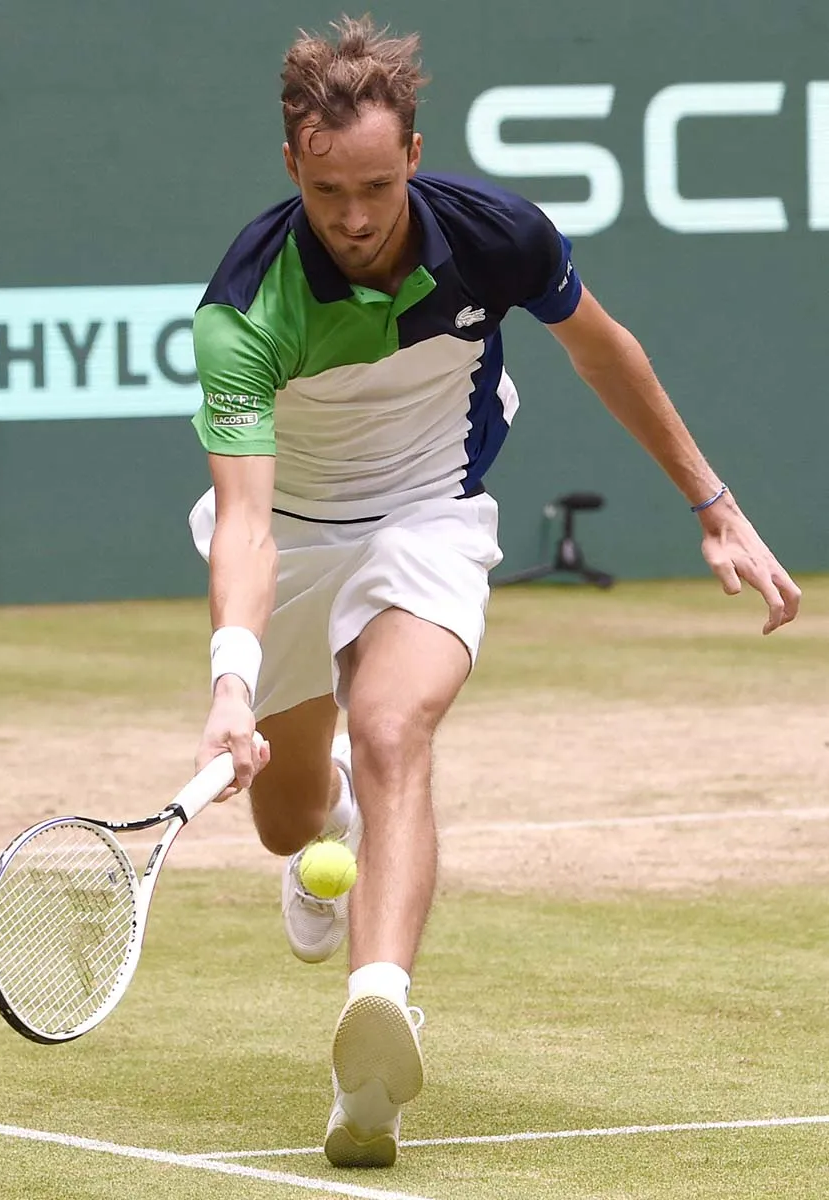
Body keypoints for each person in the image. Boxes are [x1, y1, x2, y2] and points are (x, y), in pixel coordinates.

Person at [187, 15, 801, 1169]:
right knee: (290, 819)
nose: (357, 217)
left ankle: (375, 1039)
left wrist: (711, 502)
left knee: (393, 727)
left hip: (428, 513)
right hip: (299, 541)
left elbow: (606, 350)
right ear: (291, 171)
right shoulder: (244, 311)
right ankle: (335, 844)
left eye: (375, 184)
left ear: (416, 152)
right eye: (329, 192)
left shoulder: (497, 238)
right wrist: (230, 680)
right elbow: (252, 524)